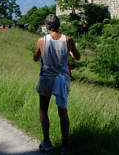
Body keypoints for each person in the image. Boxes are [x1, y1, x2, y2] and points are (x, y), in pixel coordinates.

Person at [33, 14, 80, 154]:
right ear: (59, 25)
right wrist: (70, 51)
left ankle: (46, 142)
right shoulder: (68, 40)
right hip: (62, 79)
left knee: (43, 109)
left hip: (47, 77)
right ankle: (65, 145)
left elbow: (36, 58)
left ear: (46, 26)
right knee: (62, 111)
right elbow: (77, 57)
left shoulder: (42, 40)